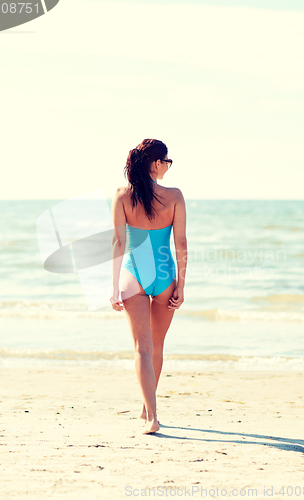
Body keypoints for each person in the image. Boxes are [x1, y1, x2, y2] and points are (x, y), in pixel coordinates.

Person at [110, 138, 187, 434]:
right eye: (166, 161)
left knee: (142, 348)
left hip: (134, 274)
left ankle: (149, 414)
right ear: (155, 163)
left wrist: (114, 287)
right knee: (156, 347)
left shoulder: (121, 195)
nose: (168, 166)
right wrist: (181, 283)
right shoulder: (175, 196)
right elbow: (180, 243)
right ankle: (149, 410)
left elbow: (118, 243)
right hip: (166, 275)